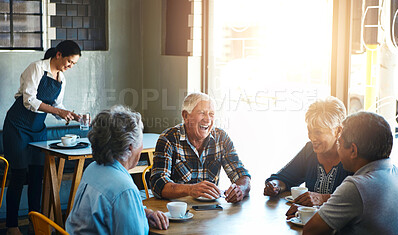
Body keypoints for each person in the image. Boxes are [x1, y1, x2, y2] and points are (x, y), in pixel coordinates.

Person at [2, 40, 81, 235]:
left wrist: (69, 114)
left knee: (38, 176)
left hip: (38, 129)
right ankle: (12, 225)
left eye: (74, 64)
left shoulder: (62, 79)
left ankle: (34, 222)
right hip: (17, 126)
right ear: (59, 55)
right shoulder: (36, 67)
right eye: (69, 61)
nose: (70, 66)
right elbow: (29, 100)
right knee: (19, 174)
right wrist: (57, 110)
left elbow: (56, 107)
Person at [66, 105, 169, 234]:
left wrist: (144, 213)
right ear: (130, 147)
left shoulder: (92, 169)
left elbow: (112, 208)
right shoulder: (124, 189)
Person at [303, 112, 398, 234]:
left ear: (353, 150)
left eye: (339, 143)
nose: (337, 149)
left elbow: (311, 231)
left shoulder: (356, 186)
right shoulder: (396, 174)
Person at [150, 92, 251, 203]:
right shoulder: (168, 139)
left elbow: (242, 175)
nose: (207, 119)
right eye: (202, 113)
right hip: (177, 211)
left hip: (211, 211)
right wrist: (190, 189)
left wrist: (239, 190)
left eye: (211, 114)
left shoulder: (221, 137)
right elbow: (157, 183)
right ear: (185, 116)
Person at [264, 97, 352, 207]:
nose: (312, 138)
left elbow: (361, 198)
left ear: (338, 130)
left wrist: (323, 198)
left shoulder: (352, 156)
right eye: (309, 131)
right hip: (310, 222)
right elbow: (283, 178)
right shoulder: (309, 151)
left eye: (318, 132)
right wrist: (275, 186)